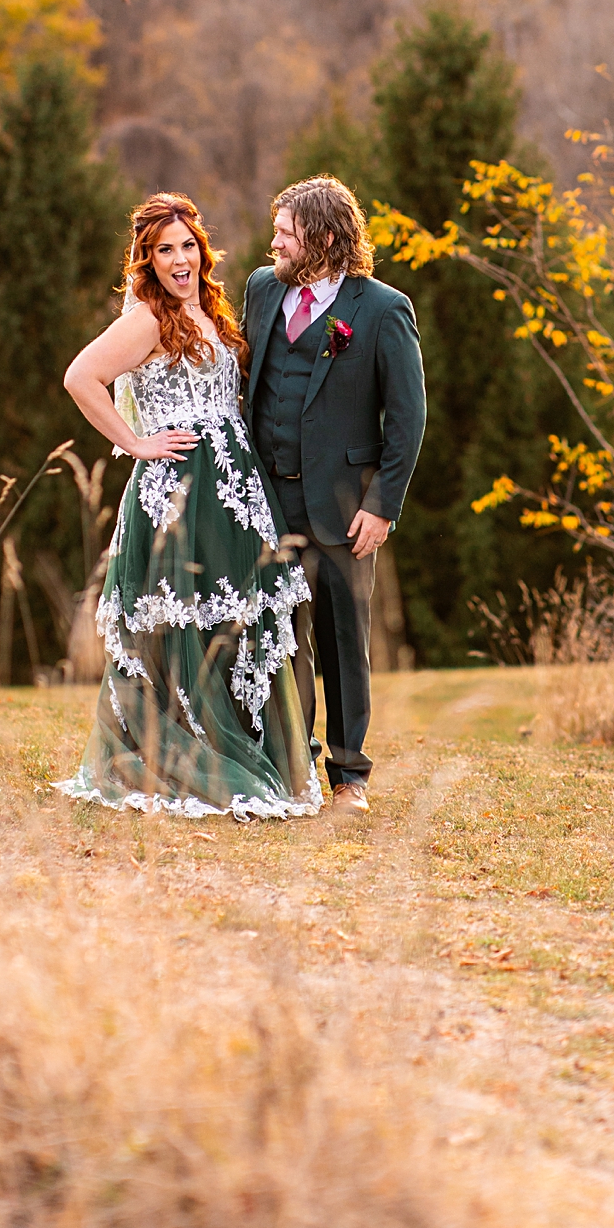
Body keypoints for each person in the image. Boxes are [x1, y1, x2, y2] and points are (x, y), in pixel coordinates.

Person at [55, 193, 321, 819]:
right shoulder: (147, 317)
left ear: (203, 248)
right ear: (147, 260)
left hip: (233, 491)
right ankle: (179, 757)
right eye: (164, 250)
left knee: (232, 624)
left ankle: (249, 748)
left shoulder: (213, 311)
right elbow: (80, 377)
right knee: (185, 629)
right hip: (177, 489)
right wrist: (134, 443)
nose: (179, 260)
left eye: (187, 246)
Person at [242, 176, 426, 812]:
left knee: (344, 639)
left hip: (347, 510)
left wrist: (383, 505)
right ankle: (292, 765)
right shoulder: (262, 291)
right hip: (266, 500)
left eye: (286, 234)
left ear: (321, 240)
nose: (274, 244)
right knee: (277, 636)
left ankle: (350, 778)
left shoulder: (381, 309)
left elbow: (407, 418)